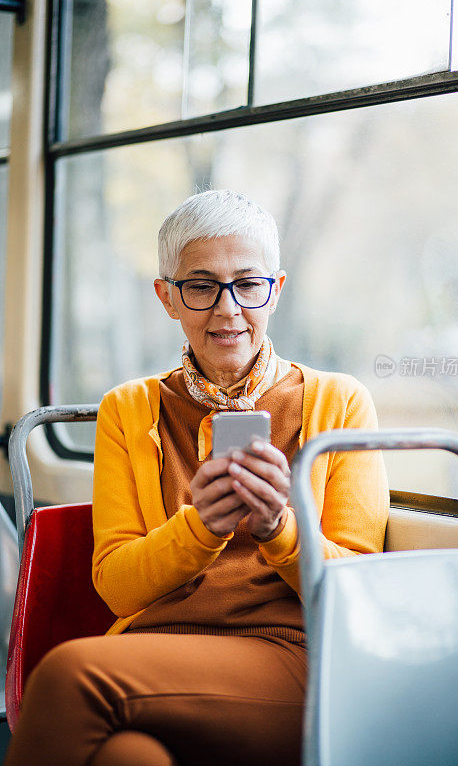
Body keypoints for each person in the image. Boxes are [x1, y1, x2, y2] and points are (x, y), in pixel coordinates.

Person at [5, 189, 390, 766]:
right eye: (201, 286)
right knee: (128, 757)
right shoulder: (127, 410)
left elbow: (360, 592)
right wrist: (201, 527)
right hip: (154, 652)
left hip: (294, 653)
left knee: (69, 673)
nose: (228, 309)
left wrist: (279, 529)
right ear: (167, 298)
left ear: (276, 290)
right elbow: (116, 586)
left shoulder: (340, 402)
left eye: (248, 284)